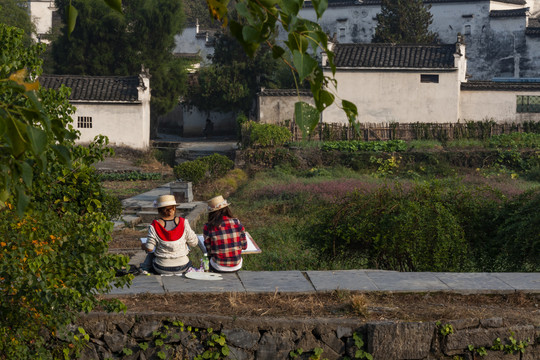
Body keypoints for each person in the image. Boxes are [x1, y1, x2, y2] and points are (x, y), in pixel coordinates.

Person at [140, 194, 198, 275]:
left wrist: (144, 246)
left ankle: (144, 269)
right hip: (183, 266)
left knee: (152, 255)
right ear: (174, 208)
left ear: (159, 210)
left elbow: (149, 248)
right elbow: (194, 243)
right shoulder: (184, 222)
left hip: (161, 267)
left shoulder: (154, 226)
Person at [203, 195, 247, 273]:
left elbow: (209, 250)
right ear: (226, 209)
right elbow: (244, 246)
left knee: (207, 258)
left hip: (218, 266)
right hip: (236, 265)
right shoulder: (236, 222)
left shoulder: (208, 226)